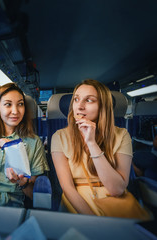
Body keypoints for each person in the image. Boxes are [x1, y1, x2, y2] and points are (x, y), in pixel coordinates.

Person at [51, 79, 136, 216]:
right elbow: (67, 188)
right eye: (77, 99)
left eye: (89, 100)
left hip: (114, 201)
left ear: (103, 106)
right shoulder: (59, 137)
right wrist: (92, 219)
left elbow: (117, 190)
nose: (80, 106)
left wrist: (92, 143)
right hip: (78, 201)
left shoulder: (122, 135)